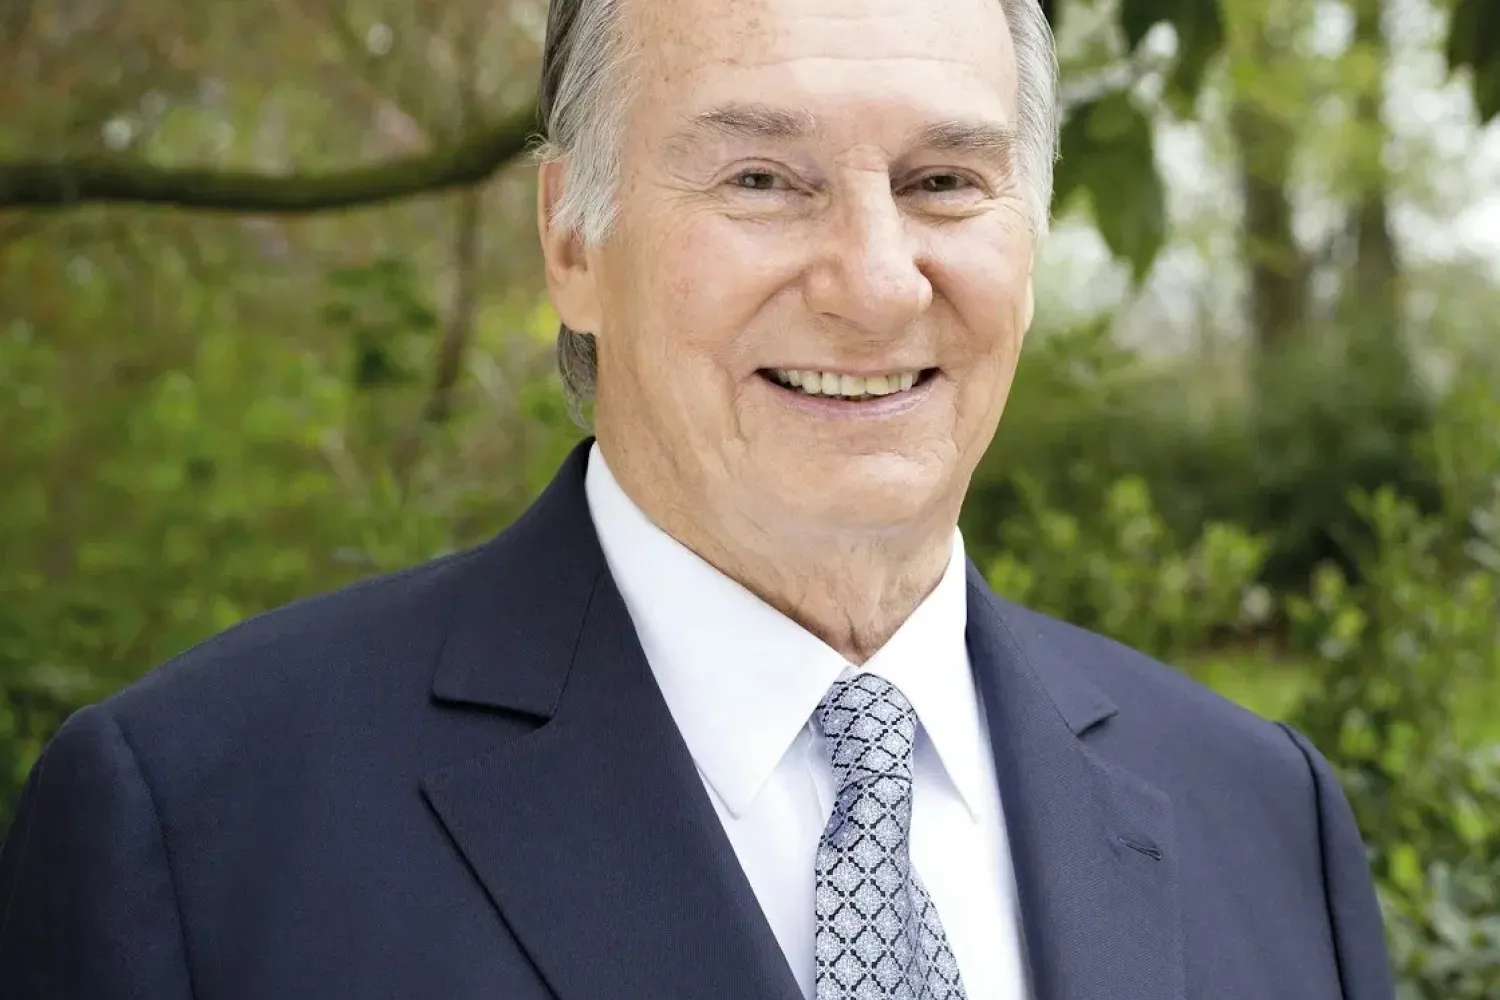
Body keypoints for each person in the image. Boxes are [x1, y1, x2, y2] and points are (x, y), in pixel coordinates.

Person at [0, 0, 1395, 996]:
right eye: (762, 179)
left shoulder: (1260, 815)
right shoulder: (202, 830)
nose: (873, 279)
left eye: (944, 181)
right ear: (570, 239)